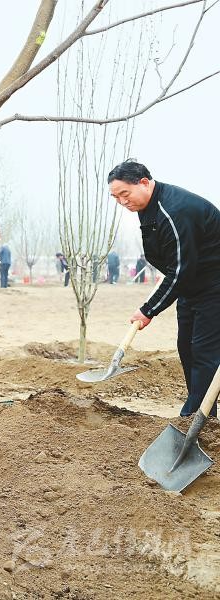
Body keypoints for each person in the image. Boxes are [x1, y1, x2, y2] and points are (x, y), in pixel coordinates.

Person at [108, 159, 220, 417]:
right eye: (116, 198)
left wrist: (149, 309)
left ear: (144, 183)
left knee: (204, 352)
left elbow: (181, 271)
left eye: (125, 193)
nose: (122, 202)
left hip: (214, 285)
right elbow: (175, 265)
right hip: (193, 285)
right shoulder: (148, 207)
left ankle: (195, 418)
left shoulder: (175, 211)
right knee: (187, 347)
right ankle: (203, 414)